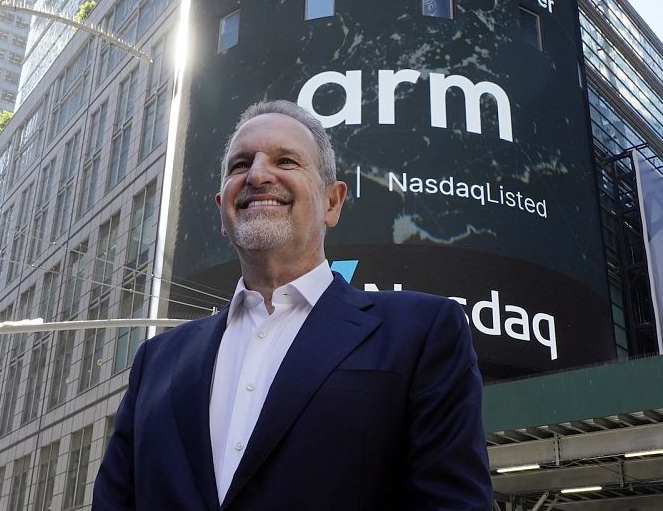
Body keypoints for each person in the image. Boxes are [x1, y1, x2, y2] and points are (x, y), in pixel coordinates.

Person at [93, 99, 492, 510]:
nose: (258, 175)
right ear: (222, 210)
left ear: (333, 203)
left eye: (285, 160)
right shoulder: (156, 362)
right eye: (239, 164)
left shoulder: (422, 331)